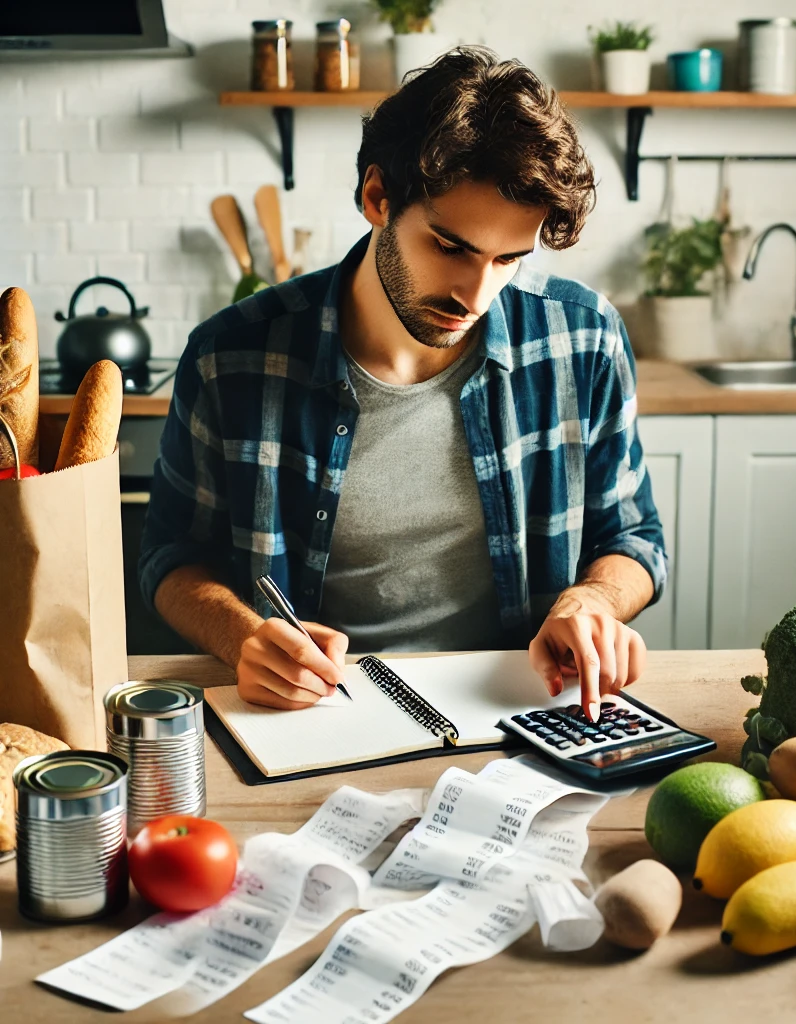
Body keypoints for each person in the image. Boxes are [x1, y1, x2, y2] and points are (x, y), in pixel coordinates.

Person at [139, 48, 666, 724]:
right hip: (313, 716)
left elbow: (634, 536)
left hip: (518, 709)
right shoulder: (232, 355)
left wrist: (590, 601)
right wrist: (240, 635)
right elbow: (171, 556)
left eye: (509, 259)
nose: (477, 293)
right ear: (376, 198)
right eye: (450, 247)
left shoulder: (582, 336)